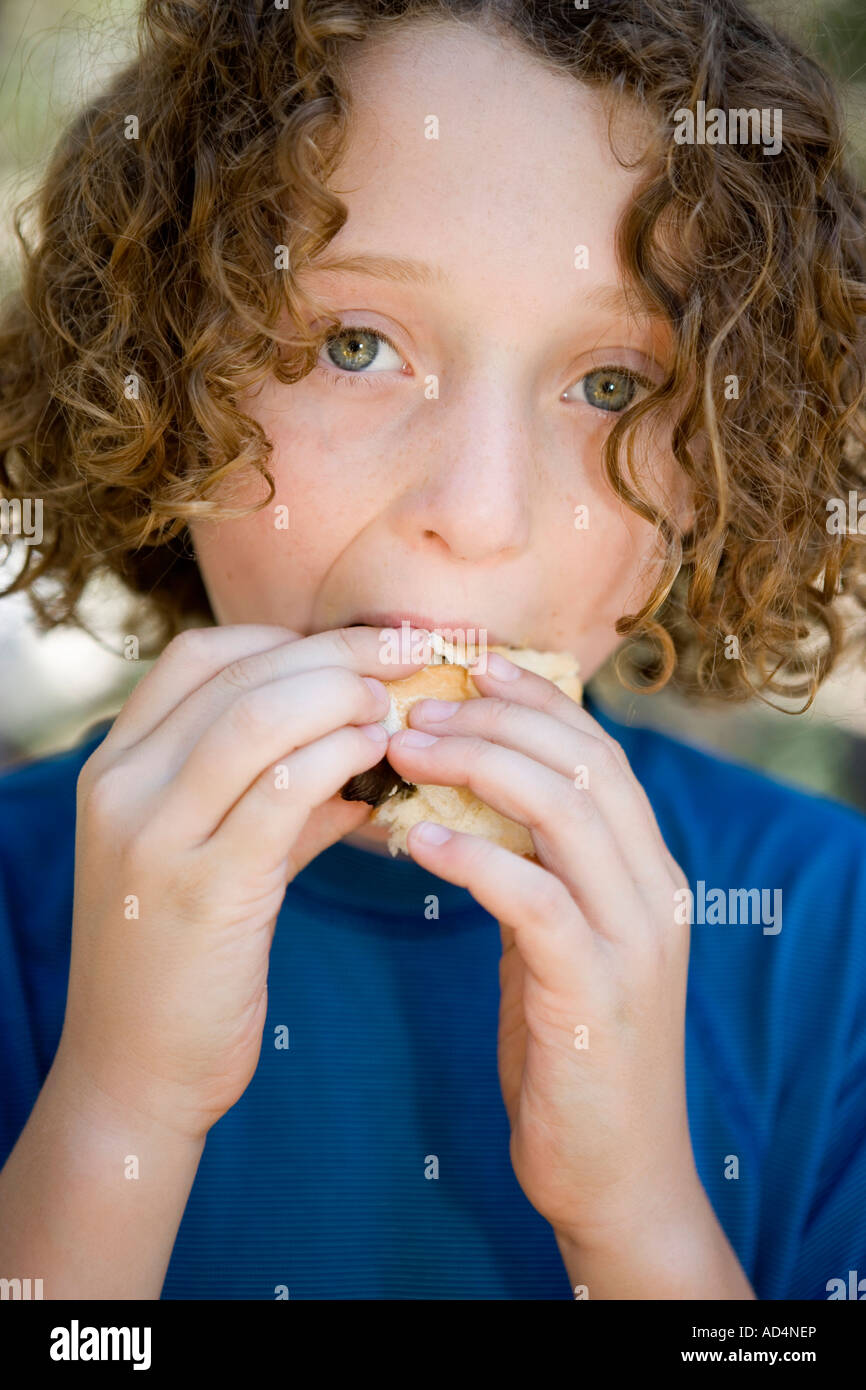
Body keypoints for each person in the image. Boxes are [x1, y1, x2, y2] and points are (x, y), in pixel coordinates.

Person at [0, 0, 865, 1301]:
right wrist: (117, 1116)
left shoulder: (829, 933)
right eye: (356, 347)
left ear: (712, 476)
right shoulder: (20, 902)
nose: (478, 510)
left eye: (612, 384)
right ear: (167, 374)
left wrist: (637, 1216)